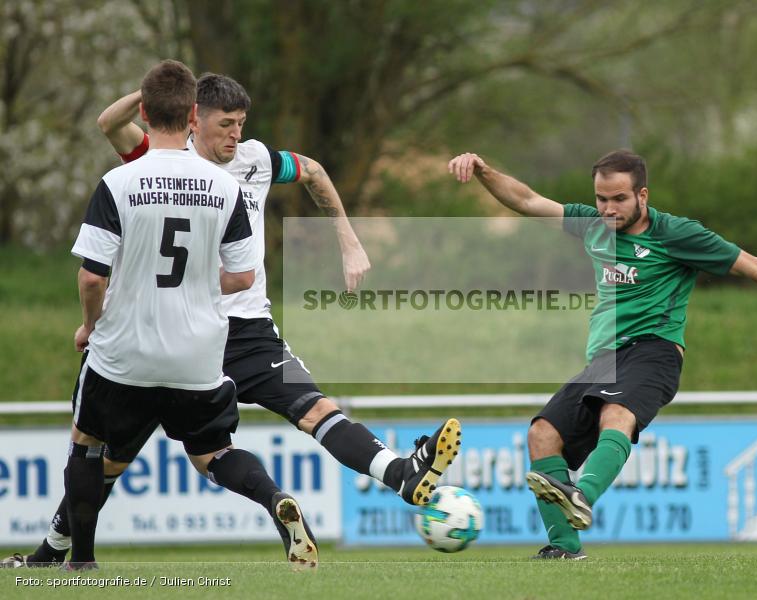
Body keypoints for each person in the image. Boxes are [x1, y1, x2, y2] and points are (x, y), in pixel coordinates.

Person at [2, 74, 460, 570]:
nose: (235, 135)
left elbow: (313, 171)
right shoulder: (162, 163)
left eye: (241, 124)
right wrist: (162, 88)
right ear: (194, 118)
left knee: (314, 411)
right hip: (193, 330)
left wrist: (348, 239)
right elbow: (110, 123)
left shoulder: (255, 159)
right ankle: (56, 549)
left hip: (226, 330)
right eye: (225, 124)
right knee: (127, 459)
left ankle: (399, 472)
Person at [448, 149, 757, 560]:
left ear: (642, 195)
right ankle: (564, 549)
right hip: (604, 360)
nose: (608, 208)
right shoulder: (593, 224)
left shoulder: (677, 234)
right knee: (541, 435)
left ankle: (581, 494)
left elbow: (751, 265)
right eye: (601, 198)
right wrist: (484, 171)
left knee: (616, 416)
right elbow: (528, 201)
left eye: (619, 199)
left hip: (655, 351)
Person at [53, 59, 324, 570]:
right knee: (214, 452)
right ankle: (274, 500)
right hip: (198, 355)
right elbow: (244, 276)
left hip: (127, 350)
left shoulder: (120, 181)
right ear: (193, 114)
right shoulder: (224, 187)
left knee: (89, 443)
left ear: (147, 112)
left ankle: (80, 561)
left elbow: (92, 277)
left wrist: (91, 325)